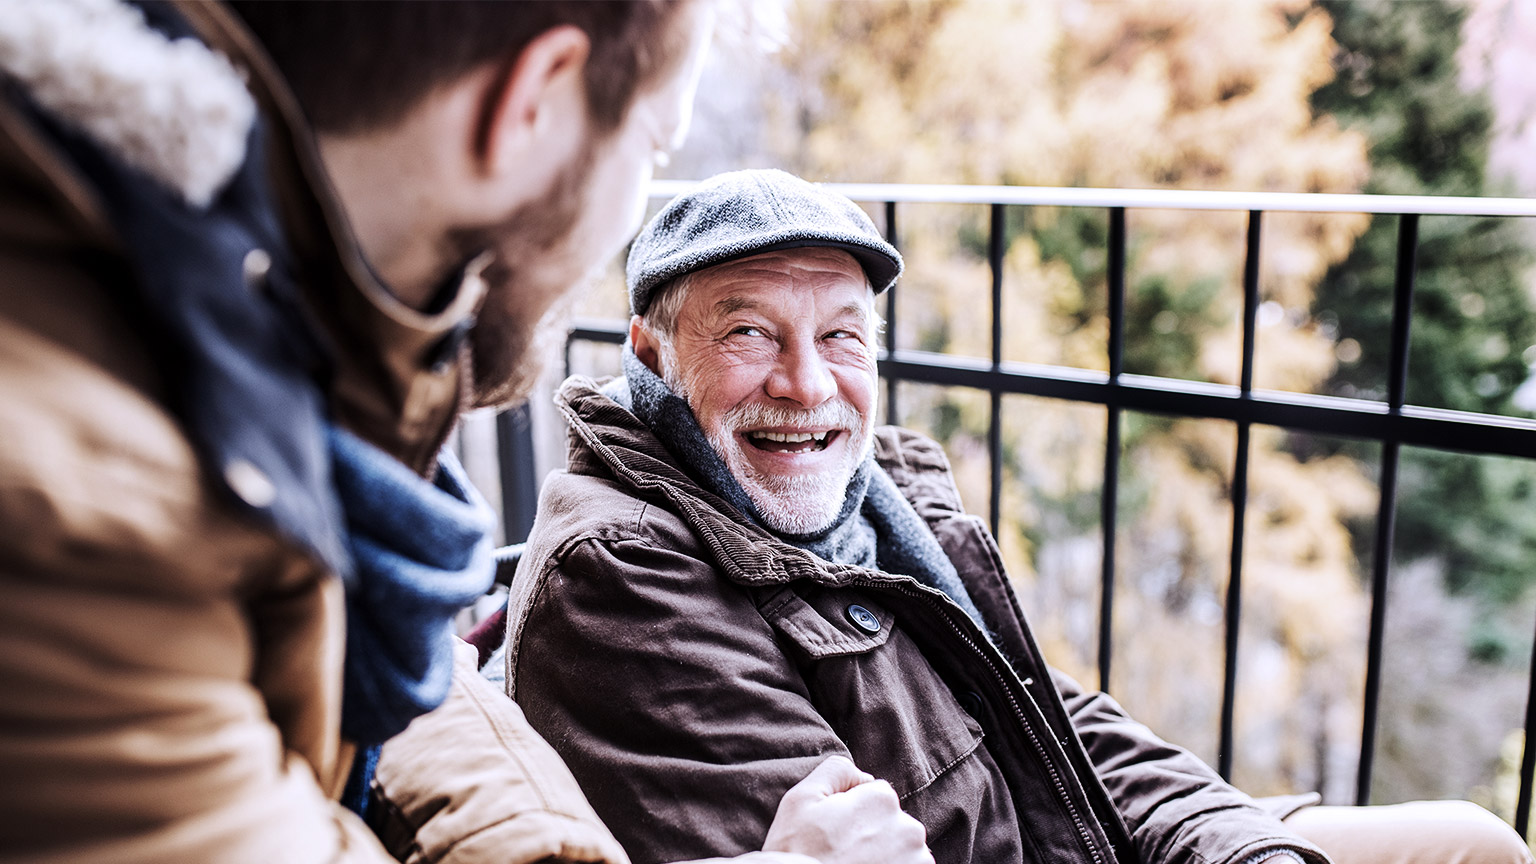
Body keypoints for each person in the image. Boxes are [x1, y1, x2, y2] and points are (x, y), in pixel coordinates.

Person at [0, 4, 928, 863]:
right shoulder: (82, 507)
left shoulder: (259, 338)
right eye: (653, 147)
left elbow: (407, 695)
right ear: (531, 104)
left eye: (843, 333)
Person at [499, 168, 1535, 864]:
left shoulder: (872, 501)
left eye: (843, 337)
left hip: (1064, 829)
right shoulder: (621, 577)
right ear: (650, 352)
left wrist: (1235, 844)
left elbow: (1047, 715)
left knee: (1469, 841)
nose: (808, 384)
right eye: (750, 333)